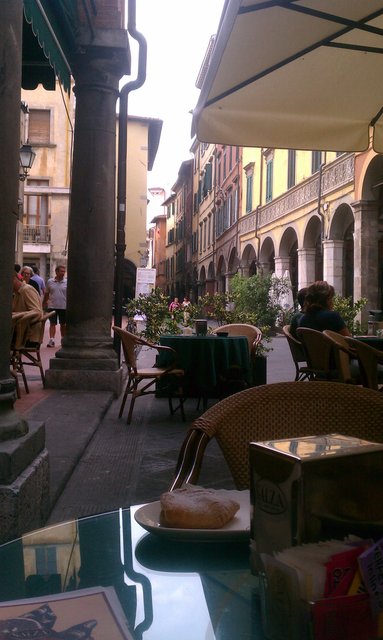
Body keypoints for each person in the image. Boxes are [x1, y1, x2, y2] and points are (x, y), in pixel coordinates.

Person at [12, 271, 43, 346]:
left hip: (28, 335)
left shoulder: (26, 289)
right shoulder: (17, 292)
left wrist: (16, 315)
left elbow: (37, 311)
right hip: (21, 331)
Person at [43, 265, 67, 347]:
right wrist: (45, 303)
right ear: (56, 272)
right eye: (61, 271)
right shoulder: (50, 281)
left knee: (63, 324)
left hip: (64, 306)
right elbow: (46, 293)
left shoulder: (67, 282)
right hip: (52, 306)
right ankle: (51, 340)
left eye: (64, 271)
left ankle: (63, 339)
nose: (63, 273)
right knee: (52, 323)